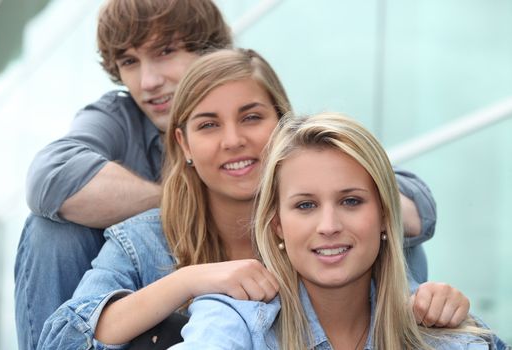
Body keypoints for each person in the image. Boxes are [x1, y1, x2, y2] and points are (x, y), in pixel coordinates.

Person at [39, 49, 471, 350]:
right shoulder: (144, 239)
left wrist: (435, 304)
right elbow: (61, 339)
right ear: (184, 144)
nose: (234, 141)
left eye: (251, 117)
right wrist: (190, 281)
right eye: (208, 125)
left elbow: (406, 206)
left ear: (283, 123)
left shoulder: (331, 228)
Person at [170, 112, 507, 349]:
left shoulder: (447, 334)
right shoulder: (233, 319)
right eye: (305, 205)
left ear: (386, 217)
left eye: (350, 201)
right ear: (277, 225)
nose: (329, 226)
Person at [14, 1, 232, 349]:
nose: (148, 82)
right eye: (129, 62)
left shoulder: (248, 105)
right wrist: (188, 203)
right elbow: (50, 176)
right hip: (128, 315)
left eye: (165, 51)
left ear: (208, 50)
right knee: (52, 231)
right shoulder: (120, 115)